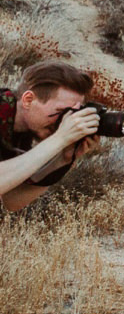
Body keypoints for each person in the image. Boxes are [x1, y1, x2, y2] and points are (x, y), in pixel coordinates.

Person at [1, 59, 101, 212]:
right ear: (28, 100)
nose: (64, 121)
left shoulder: (21, 128)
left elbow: (10, 201)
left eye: (72, 113)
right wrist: (59, 138)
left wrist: (62, 160)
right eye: (62, 112)